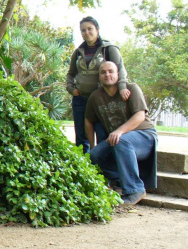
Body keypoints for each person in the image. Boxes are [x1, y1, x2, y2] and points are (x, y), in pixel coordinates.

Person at [85, 61, 157, 205]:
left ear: (118, 74)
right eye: (103, 72)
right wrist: (92, 145)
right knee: (95, 155)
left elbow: (140, 116)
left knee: (122, 140)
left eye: (111, 71)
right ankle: (120, 179)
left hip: (144, 135)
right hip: (119, 139)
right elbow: (88, 120)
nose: (107, 75)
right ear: (99, 76)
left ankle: (135, 189)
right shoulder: (95, 97)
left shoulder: (131, 88)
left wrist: (119, 131)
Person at [66, 16, 130, 154]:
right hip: (81, 98)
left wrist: (122, 87)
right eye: (83, 30)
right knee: (81, 136)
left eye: (90, 29)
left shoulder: (109, 49)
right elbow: (70, 74)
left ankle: (103, 168)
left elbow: (120, 69)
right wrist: (71, 89)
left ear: (97, 30)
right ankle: (83, 167)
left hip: (101, 99)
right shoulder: (78, 52)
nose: (86, 32)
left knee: (102, 133)